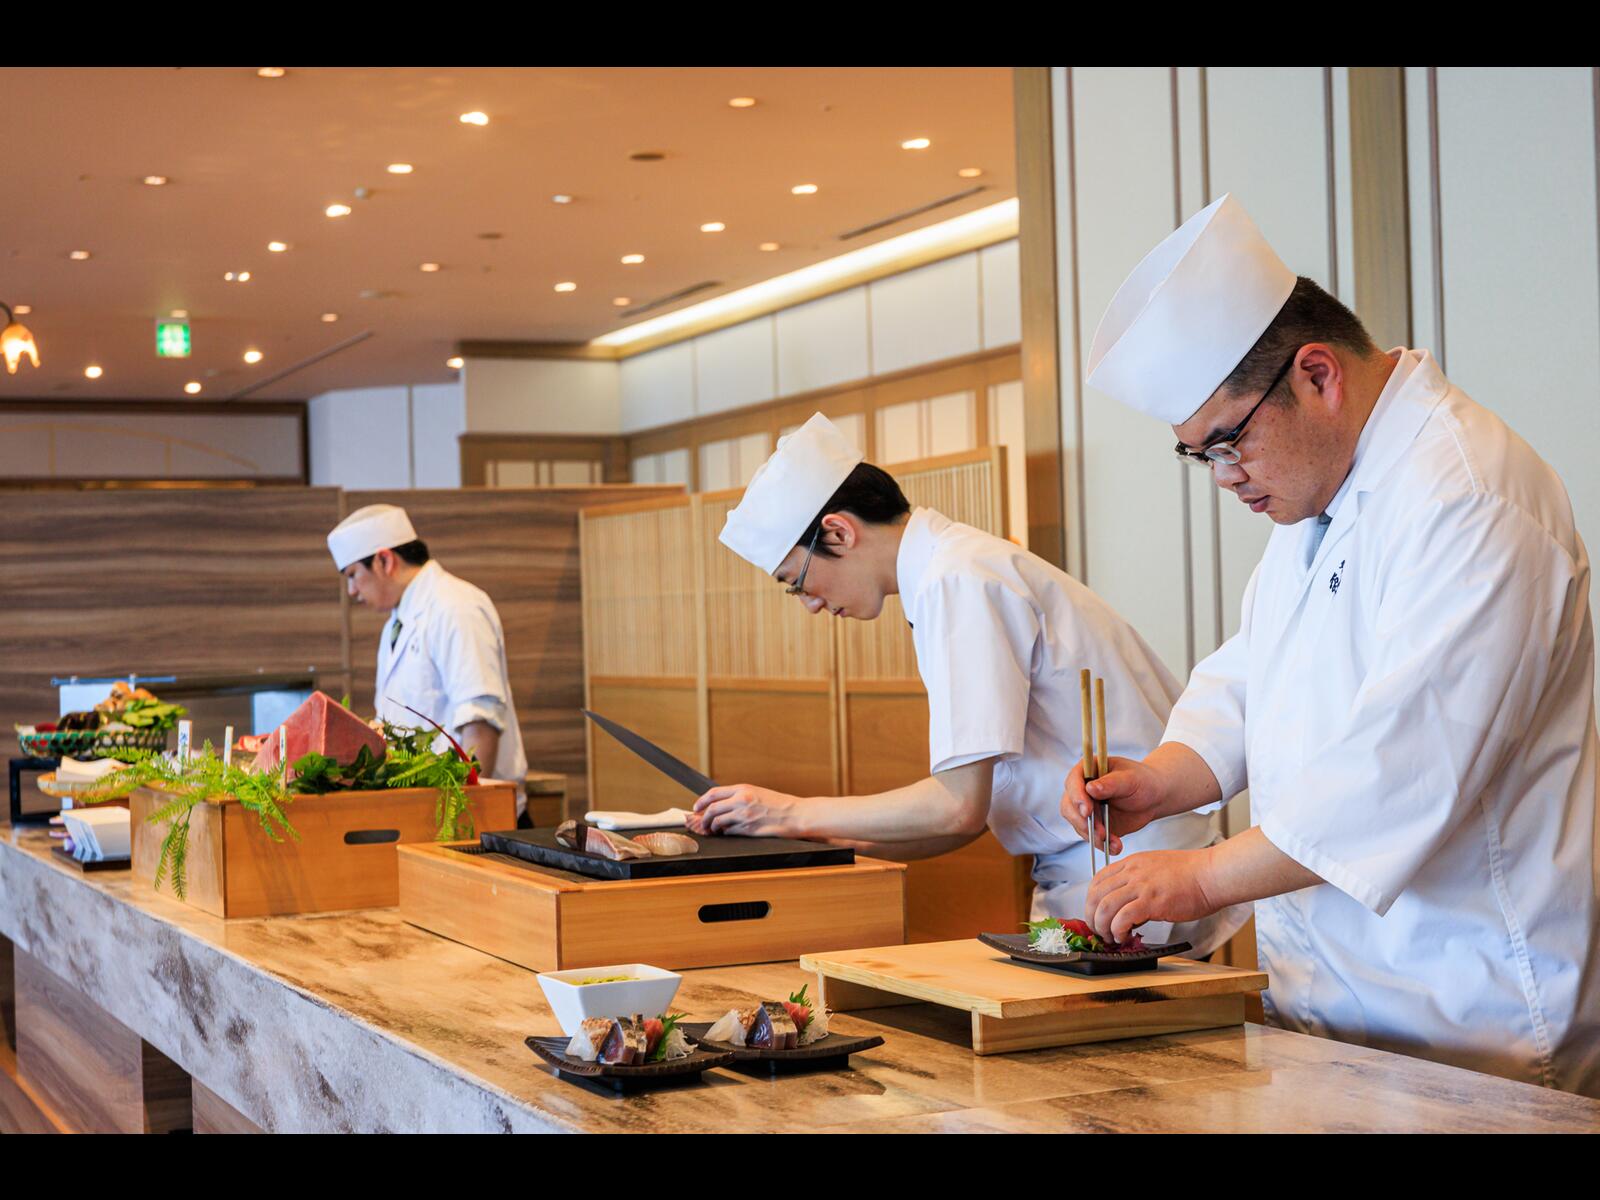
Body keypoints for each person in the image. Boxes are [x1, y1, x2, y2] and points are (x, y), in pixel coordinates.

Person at [1062, 193, 1600, 1095]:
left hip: (1471, 1013)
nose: (1225, 478)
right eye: (1200, 457)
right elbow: (1254, 676)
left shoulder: (1470, 494)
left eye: (1228, 443)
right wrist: (1161, 779)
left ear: (1317, 375)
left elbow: (1401, 769)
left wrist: (1202, 878)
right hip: (1333, 1001)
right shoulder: (1322, 494)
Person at [694, 414, 1250, 953]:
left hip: (1123, 869)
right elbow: (965, 818)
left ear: (838, 532)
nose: (811, 605)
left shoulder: (956, 580)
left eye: (796, 582)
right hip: (1111, 864)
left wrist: (789, 812)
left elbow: (955, 807)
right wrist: (808, 834)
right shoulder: (954, 567)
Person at [327, 504, 530, 818]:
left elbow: (480, 720)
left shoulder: (456, 607)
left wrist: (467, 815)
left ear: (384, 560)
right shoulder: (396, 624)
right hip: (425, 813)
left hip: (471, 816)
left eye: (353, 575)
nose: (352, 591)